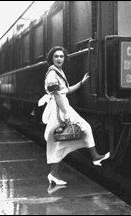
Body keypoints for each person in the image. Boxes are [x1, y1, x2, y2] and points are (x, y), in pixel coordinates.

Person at [38, 46, 110, 185]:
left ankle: (94, 157)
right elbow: (57, 95)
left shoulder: (59, 71)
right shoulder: (52, 74)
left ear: (64, 58)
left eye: (61, 56)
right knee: (58, 139)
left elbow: (66, 90)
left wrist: (82, 83)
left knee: (64, 137)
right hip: (58, 108)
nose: (59, 59)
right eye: (56, 56)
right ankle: (55, 173)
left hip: (62, 105)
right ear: (51, 59)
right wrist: (65, 113)